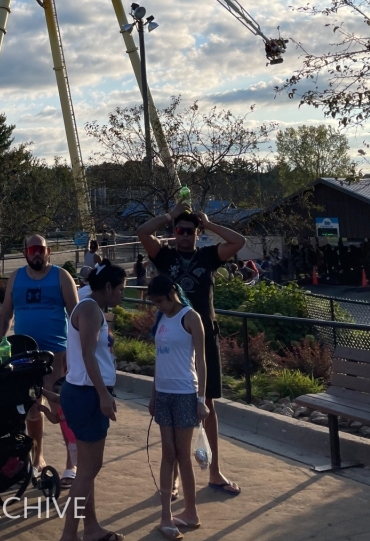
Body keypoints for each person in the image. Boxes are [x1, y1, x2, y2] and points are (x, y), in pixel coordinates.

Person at [137, 203, 245, 495]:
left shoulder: (209, 256)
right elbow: (143, 232)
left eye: (190, 231)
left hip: (204, 335)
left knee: (207, 403)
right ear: (174, 232)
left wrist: (208, 224)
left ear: (197, 233)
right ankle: (172, 477)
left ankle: (214, 471)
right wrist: (170, 215)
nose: (184, 235)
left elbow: (238, 242)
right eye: (179, 230)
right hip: (173, 336)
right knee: (173, 403)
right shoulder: (165, 255)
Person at [0, 234, 78, 473]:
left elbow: (76, 316)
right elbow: (6, 315)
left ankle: (72, 462)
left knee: (61, 406)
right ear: (25, 253)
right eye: (32, 250)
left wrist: (76, 352)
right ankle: (37, 457)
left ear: (48, 252)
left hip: (56, 353)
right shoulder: (16, 278)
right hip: (25, 354)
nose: (37, 254)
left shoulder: (61, 276)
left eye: (41, 249)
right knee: (32, 407)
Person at [59, 261, 126, 541]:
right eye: (120, 289)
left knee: (86, 470)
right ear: (107, 287)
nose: (122, 295)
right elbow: (88, 354)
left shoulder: (89, 307)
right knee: (89, 470)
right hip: (87, 394)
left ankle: (91, 528)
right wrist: (103, 395)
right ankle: (69, 535)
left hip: (82, 392)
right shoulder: (89, 310)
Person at [147, 275, 208, 537]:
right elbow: (158, 359)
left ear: (172, 293)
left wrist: (201, 399)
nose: (158, 306)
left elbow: (202, 361)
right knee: (168, 453)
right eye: (155, 302)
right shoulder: (162, 318)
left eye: (160, 300)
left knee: (182, 454)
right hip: (163, 392)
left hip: (185, 392)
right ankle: (166, 515)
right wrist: (153, 395)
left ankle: (191, 512)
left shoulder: (190, 317)